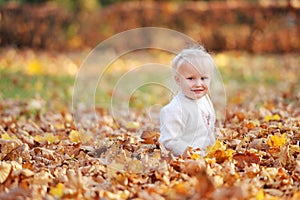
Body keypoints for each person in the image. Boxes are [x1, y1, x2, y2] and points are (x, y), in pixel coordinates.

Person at [159, 46, 216, 156]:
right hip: (185, 160)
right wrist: (191, 154)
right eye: (190, 78)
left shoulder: (205, 99)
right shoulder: (175, 110)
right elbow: (169, 141)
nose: (198, 84)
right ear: (178, 80)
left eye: (203, 78)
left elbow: (209, 128)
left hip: (206, 155)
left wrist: (212, 147)